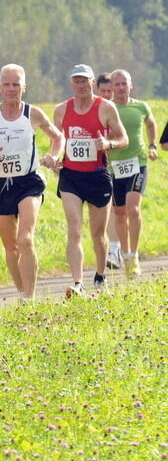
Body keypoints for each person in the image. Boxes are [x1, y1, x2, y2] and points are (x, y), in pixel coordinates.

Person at [0, 64, 65, 301]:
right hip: (0, 184)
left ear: (24, 87)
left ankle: (29, 298)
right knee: (11, 248)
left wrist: (54, 156)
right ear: (0, 87)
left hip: (28, 182)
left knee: (25, 239)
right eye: (7, 84)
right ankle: (22, 293)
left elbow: (58, 137)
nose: (11, 89)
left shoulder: (33, 113)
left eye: (16, 84)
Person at [50, 64, 128, 296]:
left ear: (92, 82)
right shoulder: (61, 109)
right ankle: (77, 282)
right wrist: (55, 158)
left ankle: (101, 275)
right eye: (77, 81)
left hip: (97, 176)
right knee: (74, 230)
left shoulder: (106, 107)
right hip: (71, 177)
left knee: (97, 233)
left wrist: (108, 144)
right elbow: (57, 140)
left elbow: (123, 138)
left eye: (85, 81)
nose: (81, 85)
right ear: (71, 83)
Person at [108, 69, 158, 278]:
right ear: (111, 87)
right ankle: (125, 254)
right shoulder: (107, 108)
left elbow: (151, 123)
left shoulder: (141, 106)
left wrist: (153, 144)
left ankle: (133, 255)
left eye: (124, 84)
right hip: (115, 165)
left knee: (133, 209)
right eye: (117, 84)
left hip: (138, 162)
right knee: (119, 212)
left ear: (131, 85)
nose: (120, 88)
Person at [96, 73, 121, 268]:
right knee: (111, 208)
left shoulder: (115, 110)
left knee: (125, 210)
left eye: (109, 91)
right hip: (102, 168)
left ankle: (123, 248)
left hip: (123, 164)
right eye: (103, 91)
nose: (106, 95)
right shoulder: (93, 109)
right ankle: (113, 250)